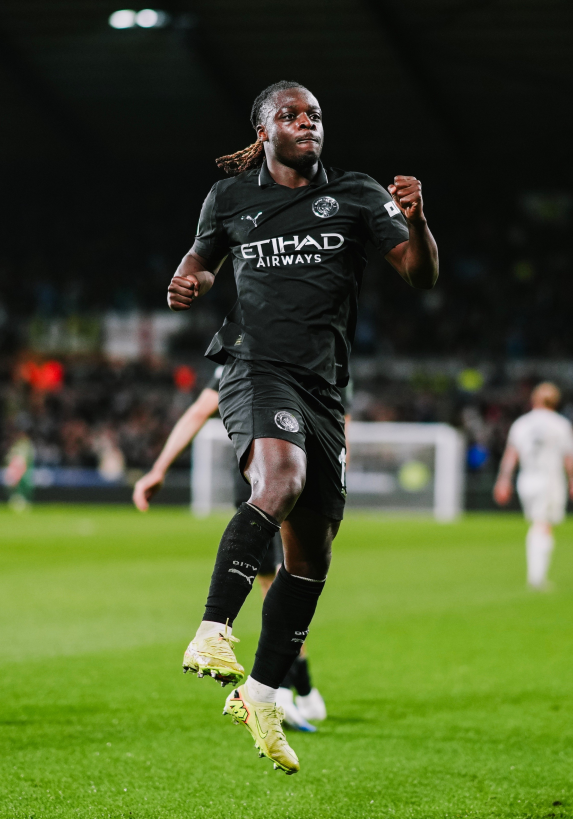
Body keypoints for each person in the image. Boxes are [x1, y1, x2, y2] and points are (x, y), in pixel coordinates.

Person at [165, 80, 438, 774]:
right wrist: (187, 279)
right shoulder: (229, 199)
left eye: (313, 113)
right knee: (278, 480)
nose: (305, 121)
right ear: (264, 131)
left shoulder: (357, 194)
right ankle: (211, 629)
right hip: (256, 368)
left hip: (323, 388)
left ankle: (261, 692)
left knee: (310, 559)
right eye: (290, 114)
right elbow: (198, 259)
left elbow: (420, 273)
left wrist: (420, 220)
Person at [132, 366, 330, 732]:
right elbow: (198, 410)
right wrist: (158, 467)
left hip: (283, 474)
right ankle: (285, 687)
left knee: (291, 578)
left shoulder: (312, 352)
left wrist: (158, 468)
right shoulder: (247, 355)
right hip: (270, 481)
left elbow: (197, 411)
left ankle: (295, 685)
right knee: (278, 579)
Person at [493, 383, 573, 590]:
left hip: (526, 479)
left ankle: (537, 576)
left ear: (534, 400)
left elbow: (510, 454)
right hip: (549, 479)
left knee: (539, 522)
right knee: (542, 525)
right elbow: (569, 457)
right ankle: (537, 577)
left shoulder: (521, 423)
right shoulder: (561, 424)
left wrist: (503, 480)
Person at [3, 432, 35, 512]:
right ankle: (16, 500)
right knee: (14, 485)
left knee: (25, 486)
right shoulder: (16, 448)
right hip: (18, 469)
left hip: (25, 470)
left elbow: (29, 458)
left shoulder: (27, 447)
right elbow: (10, 458)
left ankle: (24, 501)